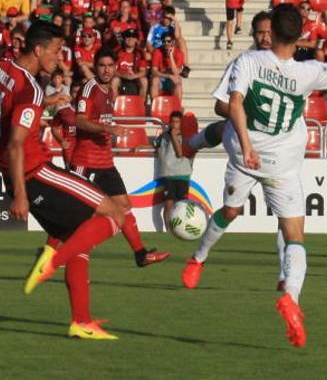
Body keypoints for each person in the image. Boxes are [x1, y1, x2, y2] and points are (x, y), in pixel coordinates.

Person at [181, 6, 327, 348]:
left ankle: (198, 256)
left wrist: (246, 145)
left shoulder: (248, 63)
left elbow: (232, 104)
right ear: (299, 36)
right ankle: (291, 296)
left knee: (230, 208)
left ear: (271, 31)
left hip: (246, 157)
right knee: (294, 233)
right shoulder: (308, 72)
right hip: (282, 164)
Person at [10, 22, 126, 340]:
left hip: (21, 173)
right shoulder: (31, 89)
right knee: (114, 214)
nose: (60, 58)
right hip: (36, 173)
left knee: (79, 236)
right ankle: (51, 262)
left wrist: (44, 105)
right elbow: (16, 142)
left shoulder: (6, 70)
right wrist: (19, 195)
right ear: (38, 49)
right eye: (55, 50)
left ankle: (81, 321)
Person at [70, 47, 170, 267]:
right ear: (95, 67)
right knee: (77, 215)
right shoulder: (90, 88)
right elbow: (79, 120)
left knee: (124, 206)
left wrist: (108, 130)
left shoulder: (109, 91)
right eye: (102, 66)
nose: (106, 70)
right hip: (85, 163)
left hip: (105, 162)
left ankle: (140, 254)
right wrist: (108, 129)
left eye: (110, 66)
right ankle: (52, 252)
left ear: (116, 68)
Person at [155, 111, 194, 230]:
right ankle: (169, 231)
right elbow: (156, 145)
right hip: (168, 174)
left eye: (177, 122)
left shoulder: (186, 136)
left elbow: (180, 152)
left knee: (182, 205)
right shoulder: (164, 135)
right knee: (168, 204)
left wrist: (174, 136)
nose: (174, 124)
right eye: (172, 122)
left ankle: (182, 229)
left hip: (182, 174)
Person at [150, 32, 187, 101]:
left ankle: (177, 108)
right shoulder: (157, 51)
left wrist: (171, 55)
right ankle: (154, 107)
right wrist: (169, 76)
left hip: (172, 80)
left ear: (173, 42)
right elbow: (154, 71)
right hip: (162, 78)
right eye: (164, 41)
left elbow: (176, 73)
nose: (166, 44)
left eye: (168, 41)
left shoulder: (179, 53)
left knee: (178, 84)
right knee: (155, 79)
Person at [113, 29, 148, 98]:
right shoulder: (117, 51)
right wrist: (123, 75)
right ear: (124, 38)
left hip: (135, 77)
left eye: (133, 37)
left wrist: (134, 76)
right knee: (115, 80)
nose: (130, 39)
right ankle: (114, 105)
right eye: (128, 36)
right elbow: (113, 70)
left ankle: (141, 104)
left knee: (144, 81)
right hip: (121, 77)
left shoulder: (140, 52)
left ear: (136, 40)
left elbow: (143, 71)